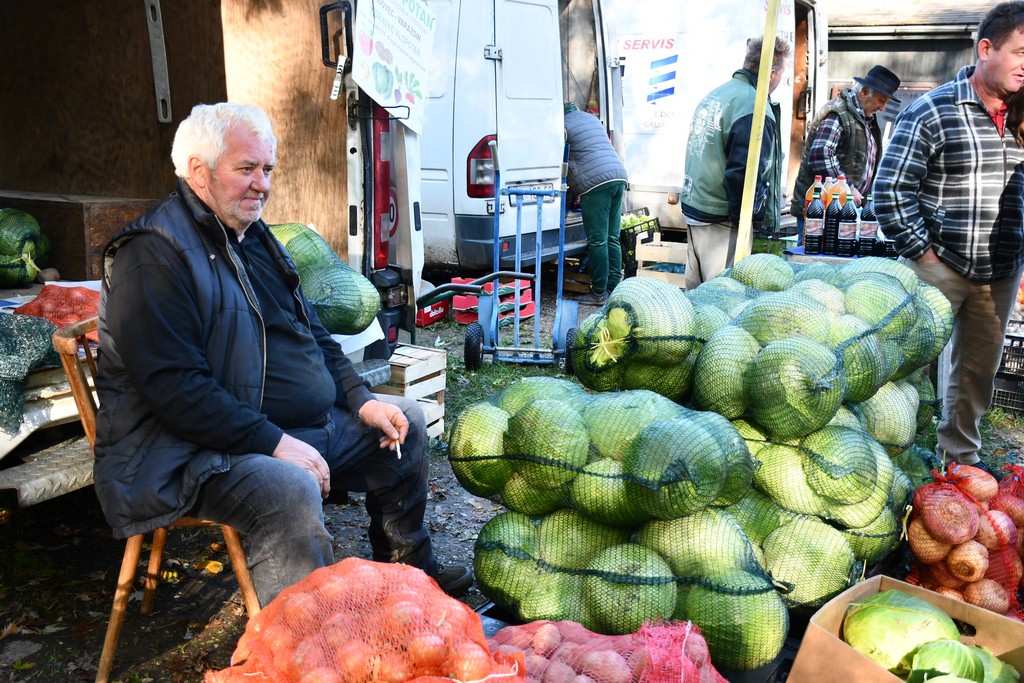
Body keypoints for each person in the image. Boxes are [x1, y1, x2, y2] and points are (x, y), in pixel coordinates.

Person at [92, 102, 472, 607]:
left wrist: (361, 400)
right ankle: (303, 643)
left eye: (267, 169)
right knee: (290, 488)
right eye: (246, 169)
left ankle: (408, 579)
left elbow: (312, 332)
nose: (262, 184)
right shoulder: (153, 253)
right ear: (199, 172)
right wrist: (274, 442)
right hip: (186, 452)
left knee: (402, 419)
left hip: (277, 429)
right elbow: (176, 390)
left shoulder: (252, 235)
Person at [873, 1, 1024, 475]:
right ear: (985, 48)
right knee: (901, 371)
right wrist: (924, 254)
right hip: (939, 266)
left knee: (976, 376)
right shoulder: (933, 110)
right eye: (1021, 52)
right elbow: (890, 190)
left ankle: (958, 465)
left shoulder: (1022, 115)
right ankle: (890, 462)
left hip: (999, 272)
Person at [679, 36, 792, 291]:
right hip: (721, 220)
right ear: (772, 73)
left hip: (696, 207)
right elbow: (745, 171)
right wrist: (750, 216)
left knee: (696, 297)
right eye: (782, 74)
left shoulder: (718, 94)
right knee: (722, 300)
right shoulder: (752, 104)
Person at [790, 65, 901, 242]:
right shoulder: (838, 112)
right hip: (821, 211)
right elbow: (821, 154)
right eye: (882, 100)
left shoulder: (865, 119)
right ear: (864, 92)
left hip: (844, 211)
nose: (883, 108)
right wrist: (848, 187)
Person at [564, 102, 629, 306]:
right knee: (612, 238)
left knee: (598, 240)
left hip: (596, 183)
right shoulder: (590, 119)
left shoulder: (561, 126)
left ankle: (598, 292)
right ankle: (613, 288)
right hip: (619, 176)